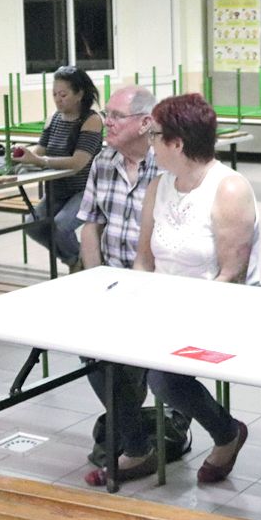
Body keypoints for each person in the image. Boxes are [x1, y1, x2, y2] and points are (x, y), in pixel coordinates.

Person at [136, 93, 260, 484]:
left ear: (177, 143)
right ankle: (134, 443)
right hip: (162, 307)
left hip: (218, 309)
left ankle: (226, 433)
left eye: (154, 135)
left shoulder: (228, 189)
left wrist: (177, 317)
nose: (148, 142)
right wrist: (135, 300)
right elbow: (143, 259)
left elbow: (231, 275)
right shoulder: (159, 185)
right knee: (100, 356)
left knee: (161, 375)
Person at [76, 85, 160, 487]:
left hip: (158, 287)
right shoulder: (103, 161)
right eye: (105, 114)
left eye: (115, 115)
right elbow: (90, 225)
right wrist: (96, 280)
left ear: (146, 123)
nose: (106, 122)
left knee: (139, 359)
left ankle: (135, 439)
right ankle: (137, 443)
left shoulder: (167, 166)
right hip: (112, 281)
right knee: (90, 350)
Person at [16, 65, 104, 271]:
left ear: (79, 94)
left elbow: (77, 163)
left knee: (61, 226)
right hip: (58, 189)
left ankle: (82, 262)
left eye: (63, 94)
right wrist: (23, 154)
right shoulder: (54, 118)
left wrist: (41, 161)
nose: (58, 99)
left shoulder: (91, 120)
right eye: (54, 94)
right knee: (33, 225)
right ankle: (76, 260)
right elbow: (41, 150)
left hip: (85, 190)